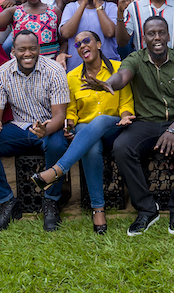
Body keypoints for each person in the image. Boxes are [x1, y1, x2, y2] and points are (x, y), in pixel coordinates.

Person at [83, 16, 174, 236]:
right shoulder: (135, 59)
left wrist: (173, 129)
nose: (157, 37)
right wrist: (108, 84)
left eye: (161, 32)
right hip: (146, 122)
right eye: (151, 33)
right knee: (122, 146)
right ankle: (147, 209)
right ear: (144, 37)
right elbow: (122, 77)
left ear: (168, 35)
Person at [31, 29, 134, 234]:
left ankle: (56, 171)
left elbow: (125, 101)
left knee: (101, 120)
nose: (82, 46)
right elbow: (71, 111)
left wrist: (125, 116)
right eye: (77, 44)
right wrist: (69, 126)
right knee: (91, 146)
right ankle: (98, 209)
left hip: (113, 125)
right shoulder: (72, 77)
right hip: (84, 128)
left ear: (98, 44)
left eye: (86, 41)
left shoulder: (118, 68)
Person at [0, 30, 70, 233]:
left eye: (32, 48)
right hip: (19, 127)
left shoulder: (54, 70)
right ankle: (7, 201)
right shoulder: (1, 73)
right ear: (13, 51)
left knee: (57, 145)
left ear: (39, 49)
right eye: (22, 49)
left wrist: (45, 130)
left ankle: (51, 200)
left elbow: (59, 116)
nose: (28, 53)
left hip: (48, 126)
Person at [59, 0, 120, 71]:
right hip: (77, 69)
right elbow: (66, 33)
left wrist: (97, 4)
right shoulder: (71, 7)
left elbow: (110, 32)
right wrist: (83, 4)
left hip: (108, 68)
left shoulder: (111, 7)